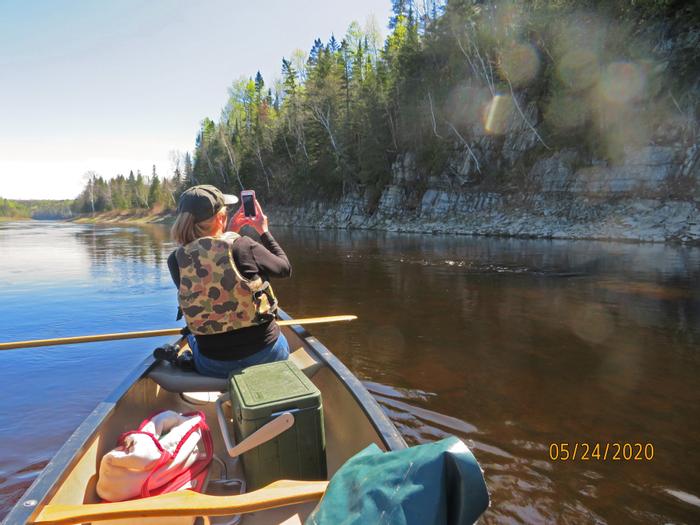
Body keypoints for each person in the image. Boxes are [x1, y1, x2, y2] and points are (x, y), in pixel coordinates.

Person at [167, 184, 292, 378]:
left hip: (213, 364)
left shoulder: (175, 260)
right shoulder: (243, 245)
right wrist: (263, 231)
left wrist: (230, 231)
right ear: (220, 218)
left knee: (190, 335)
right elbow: (284, 268)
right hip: (267, 355)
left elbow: (208, 286)